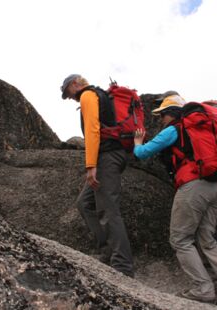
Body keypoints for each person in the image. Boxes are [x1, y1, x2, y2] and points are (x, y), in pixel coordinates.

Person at [133, 94, 217, 309]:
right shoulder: (203, 128)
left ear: (171, 113)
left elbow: (143, 153)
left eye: (163, 115)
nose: (161, 119)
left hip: (193, 187)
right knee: (208, 242)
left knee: (180, 240)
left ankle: (203, 289)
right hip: (214, 187)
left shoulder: (175, 129)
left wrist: (138, 142)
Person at [60, 74, 134, 277]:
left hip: (106, 157)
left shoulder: (87, 95)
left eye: (69, 93)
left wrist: (90, 165)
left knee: (109, 210)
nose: (71, 98)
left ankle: (123, 267)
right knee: (85, 203)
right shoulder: (100, 95)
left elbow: (93, 129)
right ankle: (109, 251)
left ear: (76, 84)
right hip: (113, 155)